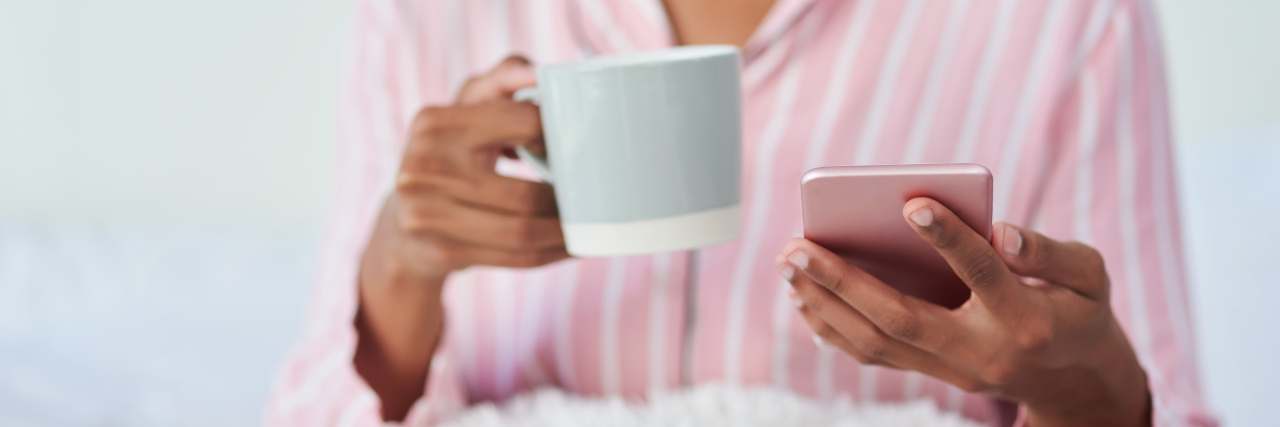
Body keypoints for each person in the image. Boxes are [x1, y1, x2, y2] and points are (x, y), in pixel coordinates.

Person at [266, 0, 1218, 425]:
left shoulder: (1067, 21)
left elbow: (1163, 402)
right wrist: (400, 262)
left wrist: (1087, 396)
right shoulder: (423, 13)